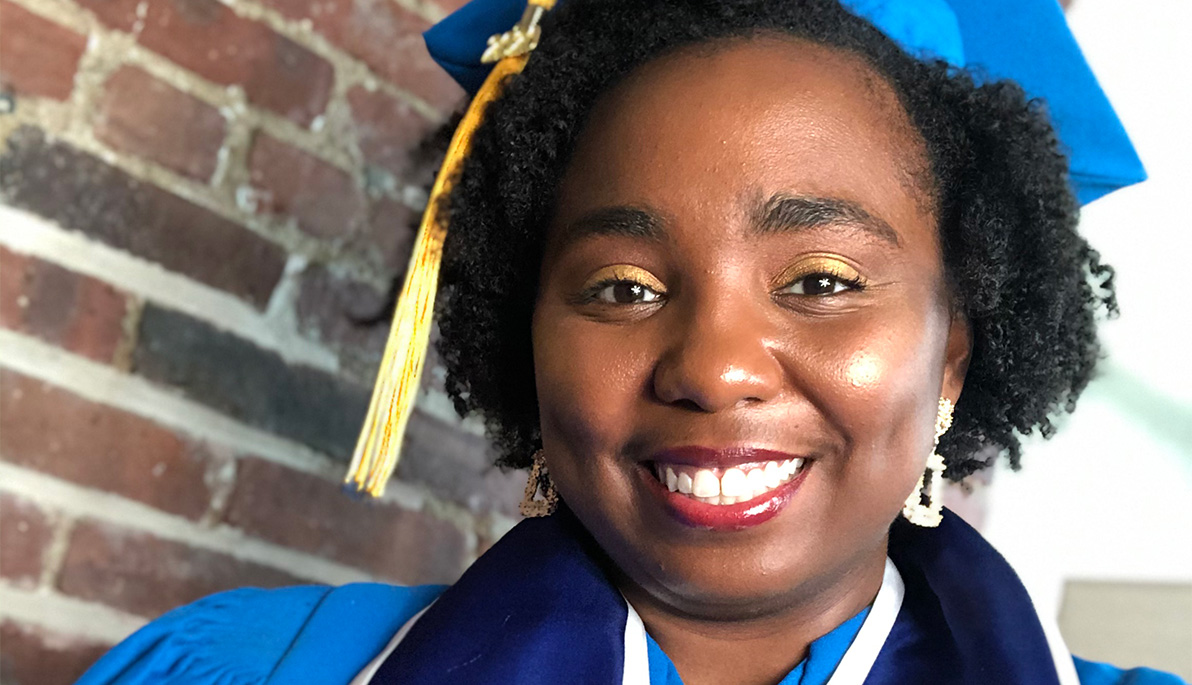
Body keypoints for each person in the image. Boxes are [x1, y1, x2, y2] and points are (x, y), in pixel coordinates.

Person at [76, 0, 1182, 683]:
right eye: (621, 286)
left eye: (820, 280)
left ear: (951, 356)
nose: (712, 366)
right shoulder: (255, 671)